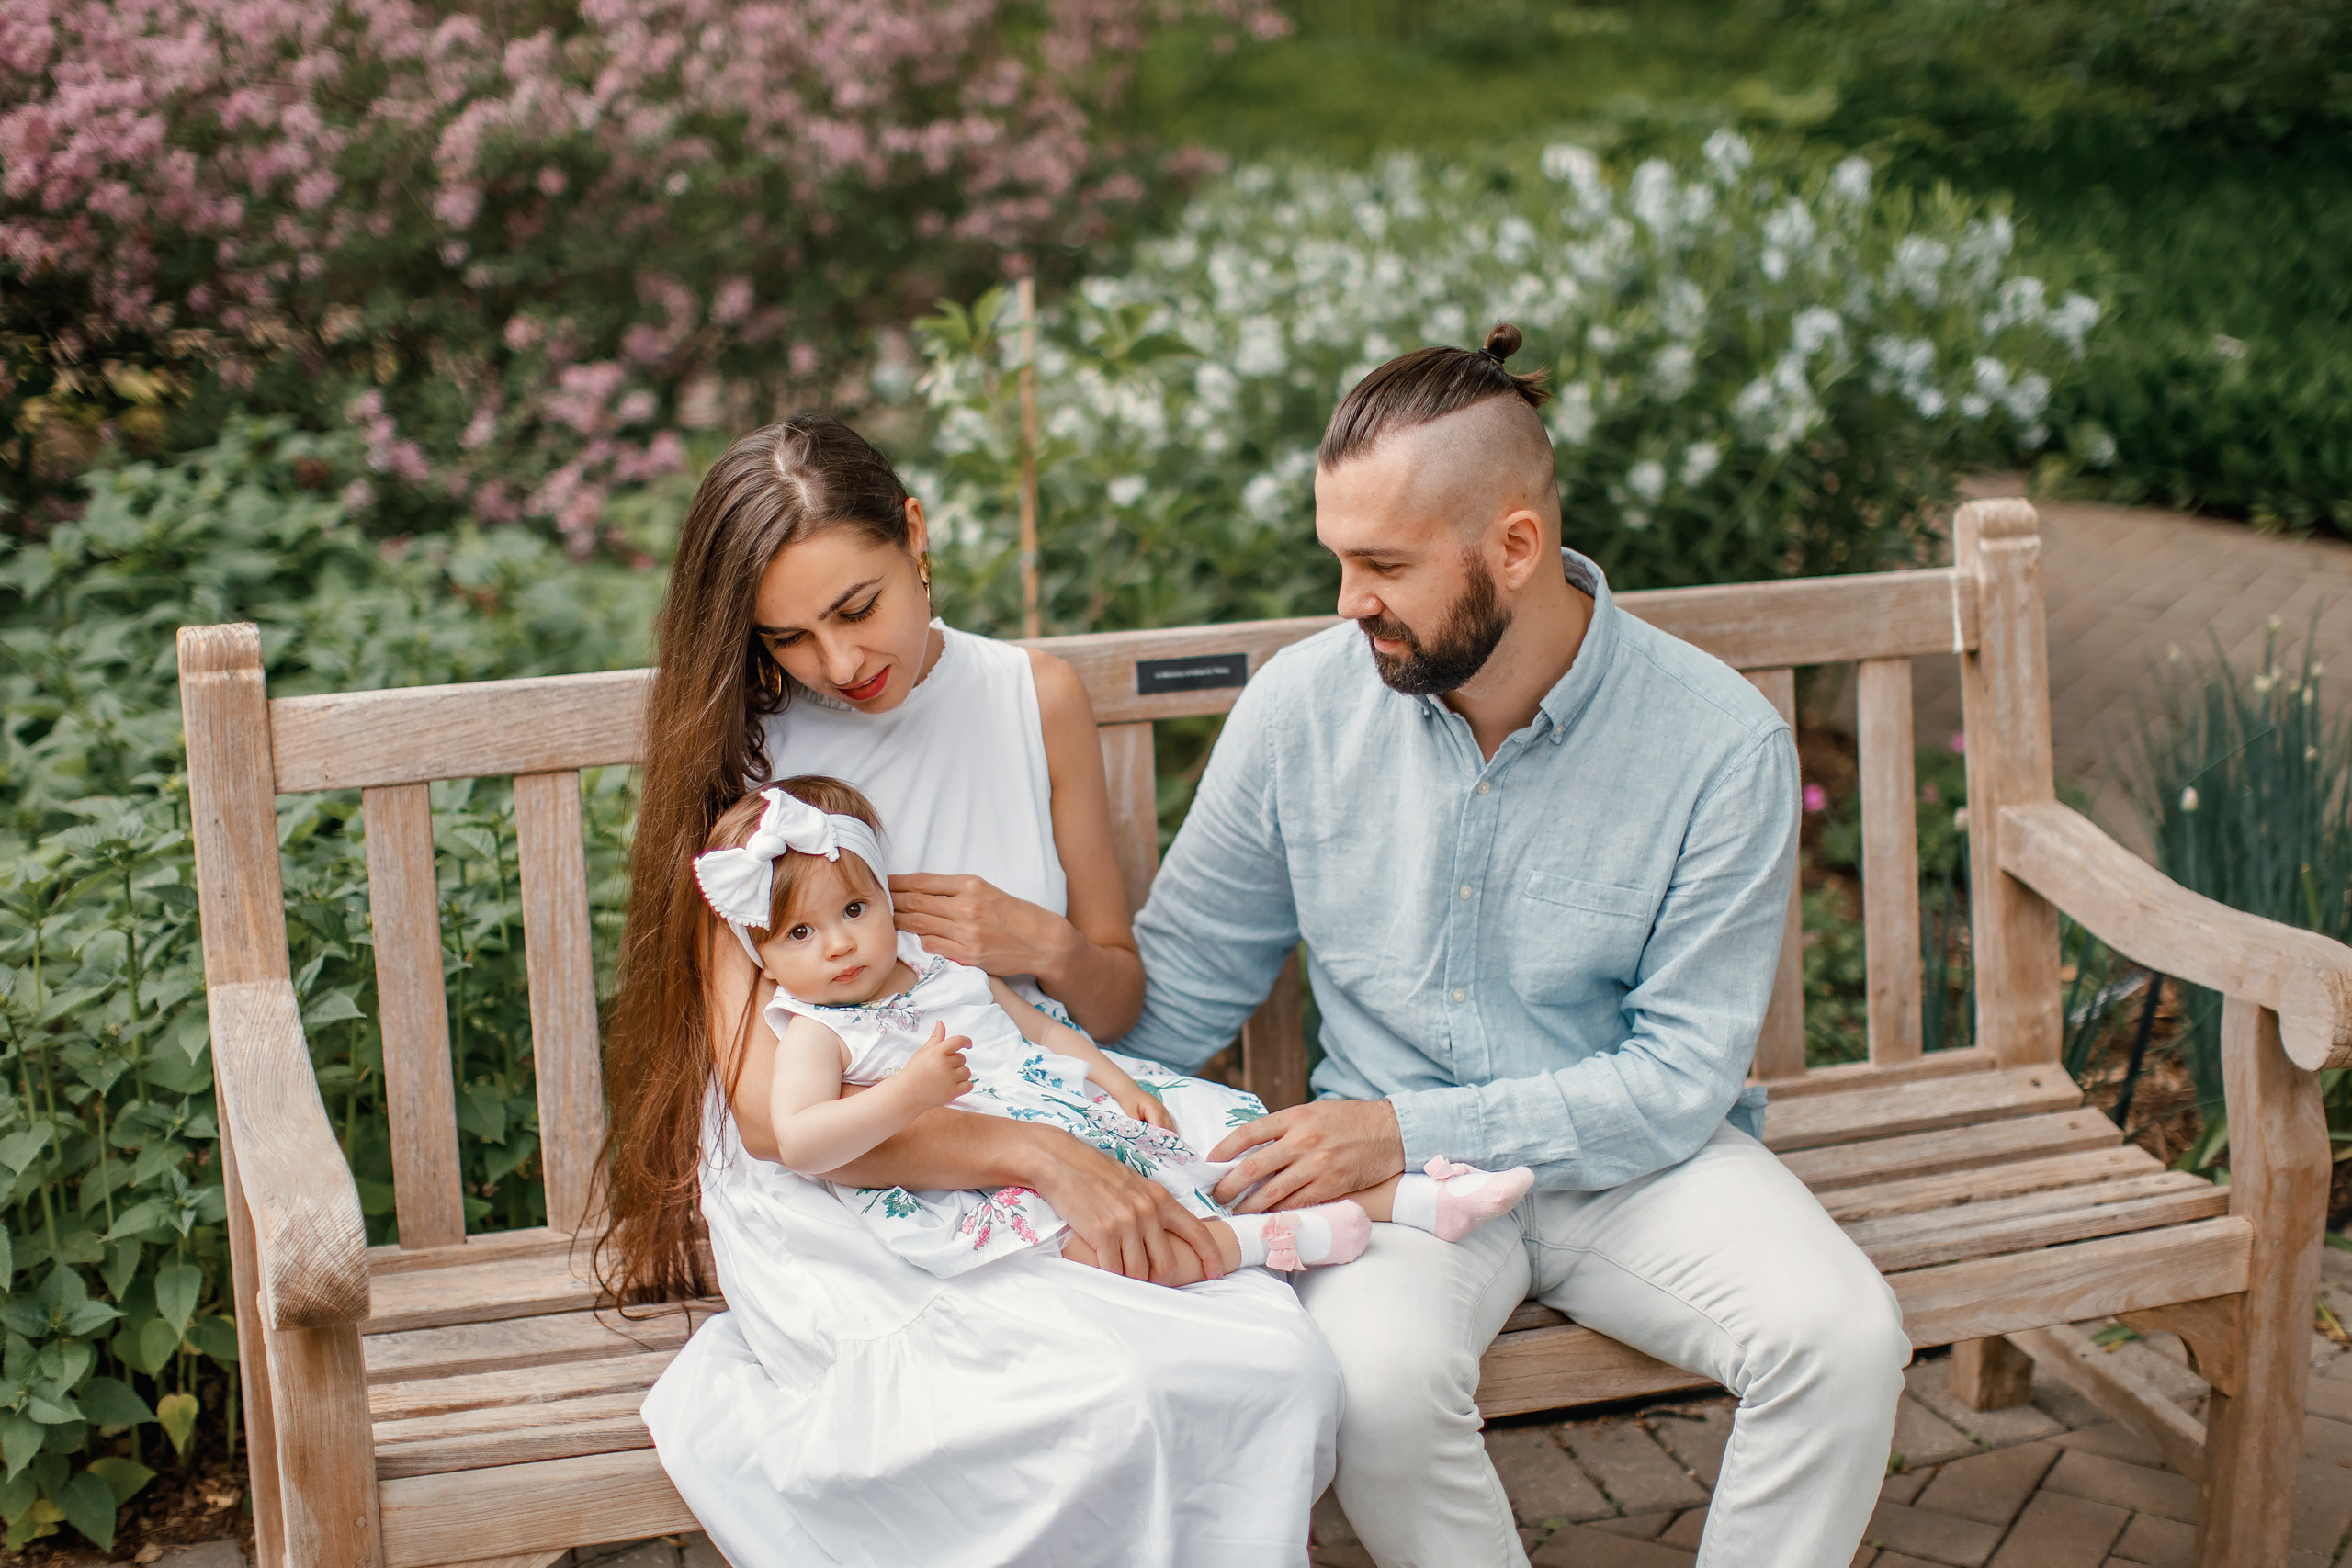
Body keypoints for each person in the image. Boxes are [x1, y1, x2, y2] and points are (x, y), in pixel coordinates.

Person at [1120, 325, 1912, 1568]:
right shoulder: (1301, 709)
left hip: (1638, 1167)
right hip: (1398, 1199)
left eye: (1383, 562)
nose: (1347, 603)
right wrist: (990, 1073)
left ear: (1516, 545)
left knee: (1846, 1335)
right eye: (1337, 558)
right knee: (1371, 1384)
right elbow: (1175, 990)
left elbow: (1675, 1083)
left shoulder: (1717, 741)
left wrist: (1405, 1128)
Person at [611, 418, 1341, 1567]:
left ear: (915, 535)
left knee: (1265, 1365)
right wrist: (1036, 1155)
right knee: (1094, 1400)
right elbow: (766, 1121)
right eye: (789, 637)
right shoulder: (752, 767)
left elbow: (1109, 1003)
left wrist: (1036, 939)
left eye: (857, 608)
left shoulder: (1029, 695)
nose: (839, 665)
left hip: (1035, 1082)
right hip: (847, 1162)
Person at [700, 775, 1536, 1279]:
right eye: (802, 933)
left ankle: (1423, 1200)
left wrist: (1118, 1080)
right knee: (1096, 1244)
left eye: (854, 908)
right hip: (986, 1163)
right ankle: (1255, 1244)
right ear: (765, 957)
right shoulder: (815, 1032)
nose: (841, 943)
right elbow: (803, 1138)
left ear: (888, 896)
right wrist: (911, 1092)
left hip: (1064, 1102)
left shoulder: (941, 967)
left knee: (1220, 1135)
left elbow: (1041, 1027)